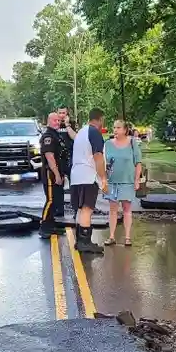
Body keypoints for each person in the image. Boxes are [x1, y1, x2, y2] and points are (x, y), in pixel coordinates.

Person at [71, 108, 109, 254]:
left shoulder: (81, 132)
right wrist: (103, 178)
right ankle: (85, 242)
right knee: (87, 208)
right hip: (88, 175)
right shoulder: (94, 133)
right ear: (100, 119)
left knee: (80, 209)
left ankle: (79, 241)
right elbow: (98, 157)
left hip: (76, 175)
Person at [103, 119, 142, 247]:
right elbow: (102, 162)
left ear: (125, 130)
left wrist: (137, 180)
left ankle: (127, 237)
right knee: (113, 210)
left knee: (127, 209)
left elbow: (138, 163)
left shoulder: (132, 143)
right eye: (114, 127)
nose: (115, 130)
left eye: (118, 128)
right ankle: (112, 236)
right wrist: (103, 179)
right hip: (112, 182)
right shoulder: (107, 144)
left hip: (127, 182)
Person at [39, 112, 68, 239]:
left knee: (56, 200)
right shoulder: (48, 136)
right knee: (50, 200)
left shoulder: (57, 135)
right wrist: (56, 174)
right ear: (49, 121)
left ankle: (51, 226)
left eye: (58, 120)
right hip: (50, 172)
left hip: (58, 171)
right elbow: (50, 157)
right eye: (55, 120)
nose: (57, 122)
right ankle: (44, 226)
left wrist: (62, 173)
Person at [56, 106, 76, 217]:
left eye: (64, 113)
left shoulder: (71, 123)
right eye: (60, 113)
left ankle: (75, 209)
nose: (62, 115)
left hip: (70, 156)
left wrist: (67, 125)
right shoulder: (55, 123)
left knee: (73, 184)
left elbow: (75, 137)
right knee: (58, 184)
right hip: (59, 157)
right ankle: (59, 210)